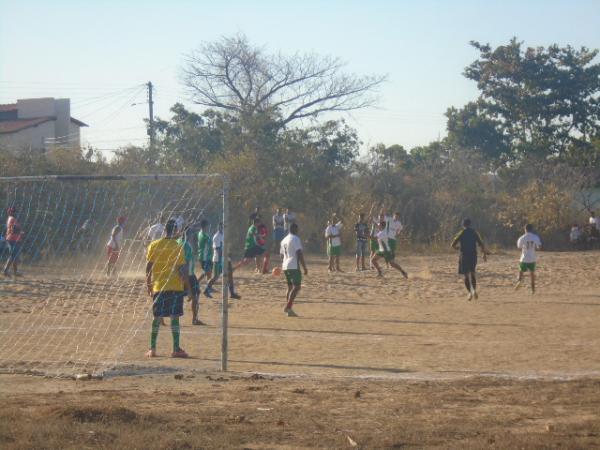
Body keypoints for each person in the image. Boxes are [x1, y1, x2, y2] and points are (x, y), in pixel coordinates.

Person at [145, 219, 190, 358]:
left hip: (159, 287)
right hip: (175, 287)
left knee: (156, 317)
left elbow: (148, 268)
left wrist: (149, 285)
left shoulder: (154, 245)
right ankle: (176, 349)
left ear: (164, 230)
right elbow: (182, 270)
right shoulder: (178, 246)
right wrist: (187, 287)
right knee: (174, 317)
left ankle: (152, 349)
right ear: (176, 230)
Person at [451, 218, 489, 301]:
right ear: (470, 224)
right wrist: (484, 255)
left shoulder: (461, 232)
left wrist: (458, 248)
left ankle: (470, 292)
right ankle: (474, 290)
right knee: (472, 273)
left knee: (466, 275)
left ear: (463, 225)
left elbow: (452, 245)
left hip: (464, 256)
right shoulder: (474, 232)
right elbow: (481, 244)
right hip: (473, 256)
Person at [205, 223, 242, 300]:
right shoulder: (216, 237)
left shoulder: (224, 235)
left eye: (224, 227)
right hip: (218, 259)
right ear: (218, 228)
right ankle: (206, 290)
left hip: (226, 258)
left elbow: (226, 247)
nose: (222, 228)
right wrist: (223, 259)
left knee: (230, 275)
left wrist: (229, 254)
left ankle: (232, 293)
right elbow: (218, 250)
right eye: (221, 227)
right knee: (215, 276)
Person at [280, 223, 308, 317]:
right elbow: (299, 253)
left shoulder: (284, 240)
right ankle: (288, 307)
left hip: (285, 265)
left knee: (290, 287)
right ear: (295, 229)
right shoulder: (295, 238)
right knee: (297, 287)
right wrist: (304, 267)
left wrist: (285, 263)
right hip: (293, 265)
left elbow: (281, 255)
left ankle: (289, 310)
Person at [179, 226, 204, 325]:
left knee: (174, 296)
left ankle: (161, 319)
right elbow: (186, 265)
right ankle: (194, 319)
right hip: (188, 275)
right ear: (188, 235)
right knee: (196, 295)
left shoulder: (177, 243)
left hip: (177, 274)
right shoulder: (187, 246)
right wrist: (188, 285)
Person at [515, 224, 542, 294]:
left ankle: (520, 281)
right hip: (532, 258)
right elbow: (539, 247)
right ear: (532, 229)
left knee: (521, 271)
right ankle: (533, 289)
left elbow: (519, 247)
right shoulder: (535, 237)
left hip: (524, 258)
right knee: (532, 274)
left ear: (525, 229)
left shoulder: (522, 238)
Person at [3, 207, 24, 277]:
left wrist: (19, 232)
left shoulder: (10, 219)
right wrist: (20, 232)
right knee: (13, 256)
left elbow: (13, 229)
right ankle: (6, 271)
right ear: (10, 213)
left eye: (15, 211)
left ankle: (15, 272)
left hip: (13, 239)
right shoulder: (12, 219)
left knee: (14, 256)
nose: (15, 213)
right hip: (13, 239)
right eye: (13, 212)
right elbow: (14, 229)